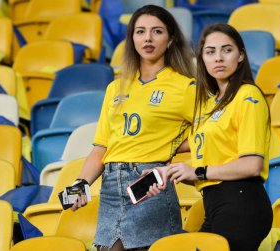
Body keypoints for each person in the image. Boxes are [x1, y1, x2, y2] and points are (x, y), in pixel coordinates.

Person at [69, 5, 196, 251]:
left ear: (170, 40)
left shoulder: (186, 87)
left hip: (149, 183)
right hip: (110, 187)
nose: (147, 38)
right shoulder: (115, 89)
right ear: (132, 39)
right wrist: (80, 183)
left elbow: (212, 132)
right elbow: (102, 146)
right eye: (140, 32)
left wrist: (169, 146)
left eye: (157, 31)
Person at [148, 23, 273, 251]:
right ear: (202, 59)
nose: (218, 58)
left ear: (241, 56)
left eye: (227, 50)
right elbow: (208, 160)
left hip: (242, 203)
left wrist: (197, 171)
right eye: (210, 52)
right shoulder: (209, 106)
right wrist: (169, 172)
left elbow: (252, 165)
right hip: (215, 204)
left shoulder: (248, 95)